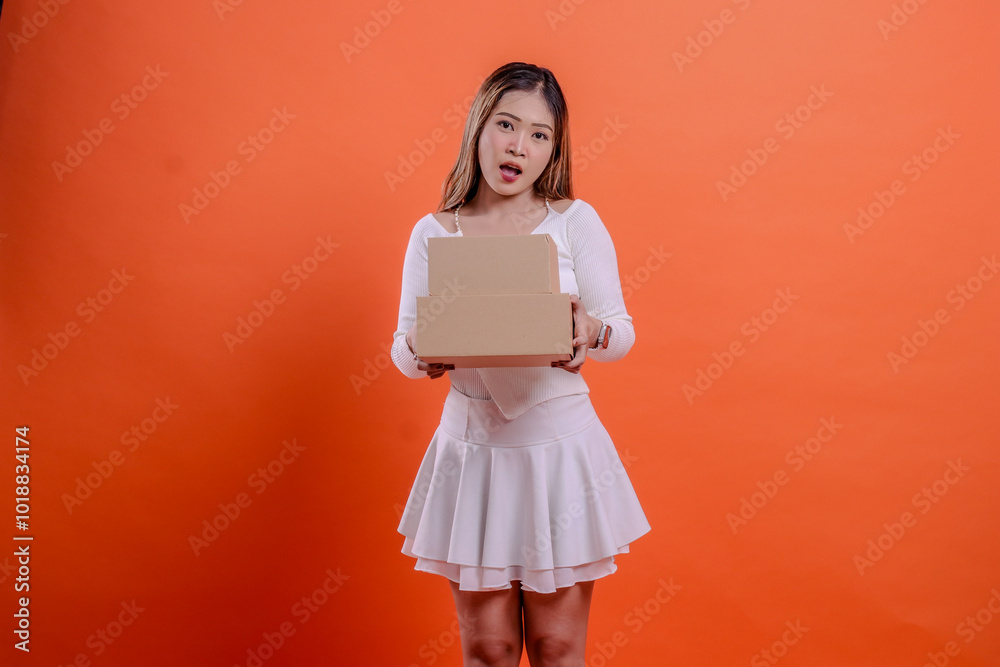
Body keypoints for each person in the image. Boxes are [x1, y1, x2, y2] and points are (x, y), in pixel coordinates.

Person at [390, 61, 650, 667]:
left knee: (558, 649)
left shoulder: (574, 223)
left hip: (558, 450)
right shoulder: (434, 233)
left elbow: (622, 335)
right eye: (506, 125)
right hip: (472, 452)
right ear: (479, 128)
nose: (518, 146)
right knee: (490, 649)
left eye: (539, 134)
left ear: (552, 150)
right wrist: (425, 351)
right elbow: (403, 350)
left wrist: (588, 329)